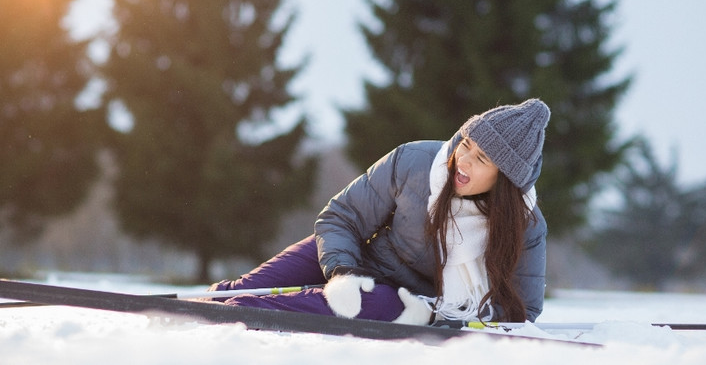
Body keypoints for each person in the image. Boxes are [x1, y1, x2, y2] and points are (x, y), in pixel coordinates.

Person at [206, 98, 550, 325]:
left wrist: (434, 316)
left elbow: (523, 309)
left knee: (357, 304)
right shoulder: (416, 163)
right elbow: (342, 217)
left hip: (406, 301)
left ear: (505, 179)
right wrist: (343, 270)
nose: (463, 160)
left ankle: (231, 315)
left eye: (482, 159)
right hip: (354, 259)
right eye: (466, 145)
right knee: (245, 287)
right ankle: (214, 301)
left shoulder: (526, 226)